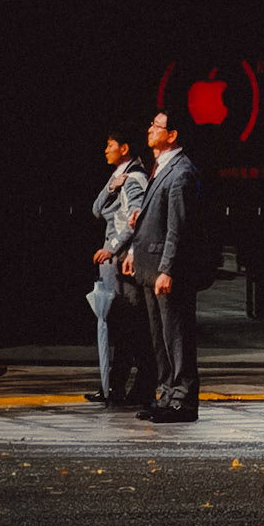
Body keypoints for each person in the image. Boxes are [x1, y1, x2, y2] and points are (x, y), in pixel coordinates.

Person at [128, 110, 202, 423]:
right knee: (160, 339)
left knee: (176, 337)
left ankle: (182, 402)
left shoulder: (181, 172)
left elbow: (178, 227)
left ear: (171, 135)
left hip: (166, 270)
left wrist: (168, 269)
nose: (149, 129)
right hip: (149, 265)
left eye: (156, 126)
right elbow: (155, 217)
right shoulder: (162, 168)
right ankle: (166, 395)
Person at [87, 128, 152, 407]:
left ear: (124, 148)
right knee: (124, 327)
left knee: (132, 326)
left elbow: (133, 220)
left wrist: (111, 248)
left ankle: (136, 387)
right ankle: (114, 386)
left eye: (110, 144)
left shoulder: (134, 179)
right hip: (117, 262)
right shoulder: (119, 177)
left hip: (125, 263)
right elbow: (97, 209)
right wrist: (111, 187)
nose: (106, 149)